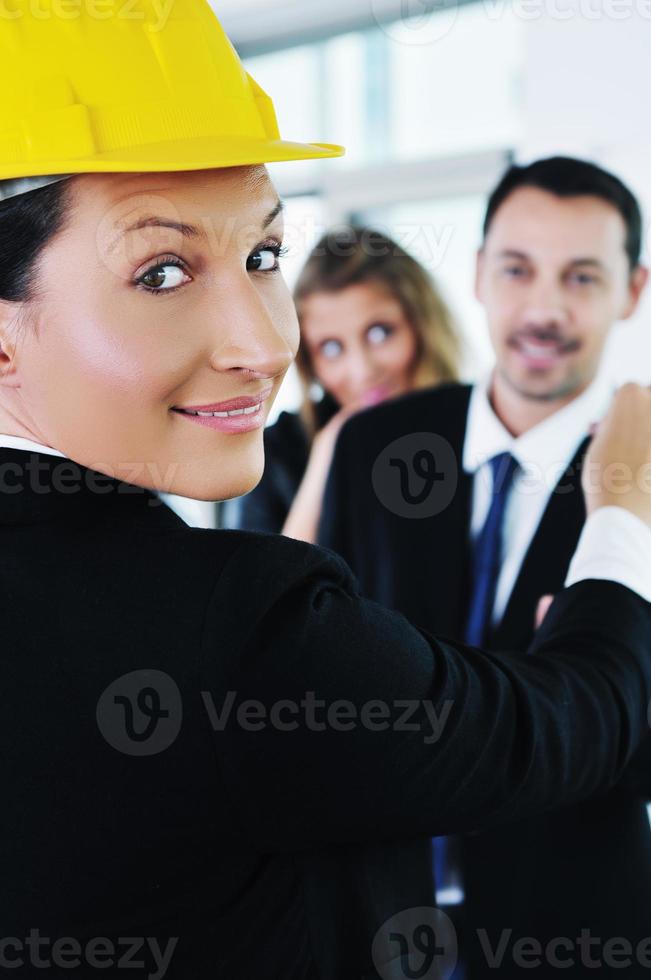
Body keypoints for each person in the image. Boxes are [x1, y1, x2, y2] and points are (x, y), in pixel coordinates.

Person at [2, 15, 651, 980]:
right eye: (162, 272)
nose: (267, 346)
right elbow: (538, 726)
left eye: (264, 256)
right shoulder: (268, 579)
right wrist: (626, 519)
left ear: (630, 292)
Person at [318, 156, 651, 977]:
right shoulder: (373, 446)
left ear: (632, 291)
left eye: (580, 277)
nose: (542, 308)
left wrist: (609, 641)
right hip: (376, 920)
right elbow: (327, 684)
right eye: (516, 269)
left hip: (572, 931)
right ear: (476, 274)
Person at [226, 225, 461, 536]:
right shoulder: (277, 454)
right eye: (332, 348)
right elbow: (265, 586)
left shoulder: (478, 431)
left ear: (423, 328)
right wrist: (327, 457)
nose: (362, 371)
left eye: (380, 333)